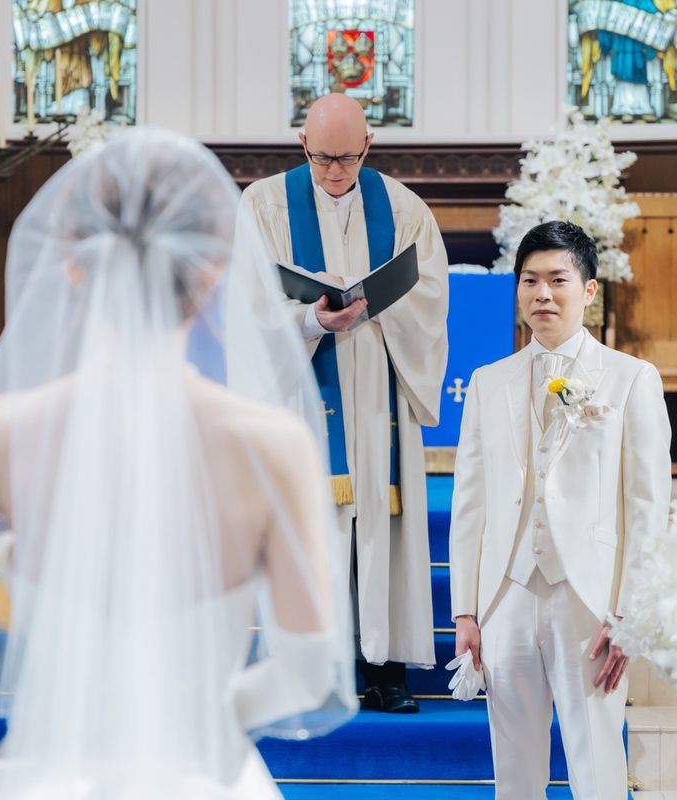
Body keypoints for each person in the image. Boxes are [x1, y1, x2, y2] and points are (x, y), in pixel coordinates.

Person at [0, 127, 358, 799]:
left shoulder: (1, 435)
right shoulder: (274, 445)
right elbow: (308, 674)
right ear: (212, 271)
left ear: (72, 263)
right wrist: (189, 726)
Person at [236, 93, 448, 713]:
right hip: (303, 395)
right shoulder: (263, 205)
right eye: (323, 157)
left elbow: (429, 296)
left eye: (348, 158)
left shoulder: (404, 210)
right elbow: (244, 304)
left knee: (380, 524)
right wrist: (310, 319)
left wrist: (370, 305)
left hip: (378, 393)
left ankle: (383, 667)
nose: (334, 171)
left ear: (369, 146)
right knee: (311, 529)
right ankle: (310, 669)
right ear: (302, 144)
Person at [449, 221, 671, 799]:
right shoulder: (488, 382)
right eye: (529, 281)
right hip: (507, 595)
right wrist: (466, 611)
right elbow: (470, 502)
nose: (542, 293)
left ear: (589, 290)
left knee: (596, 766)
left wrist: (630, 615)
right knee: (514, 772)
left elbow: (647, 507)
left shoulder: (631, 379)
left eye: (557, 279)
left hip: (590, 603)